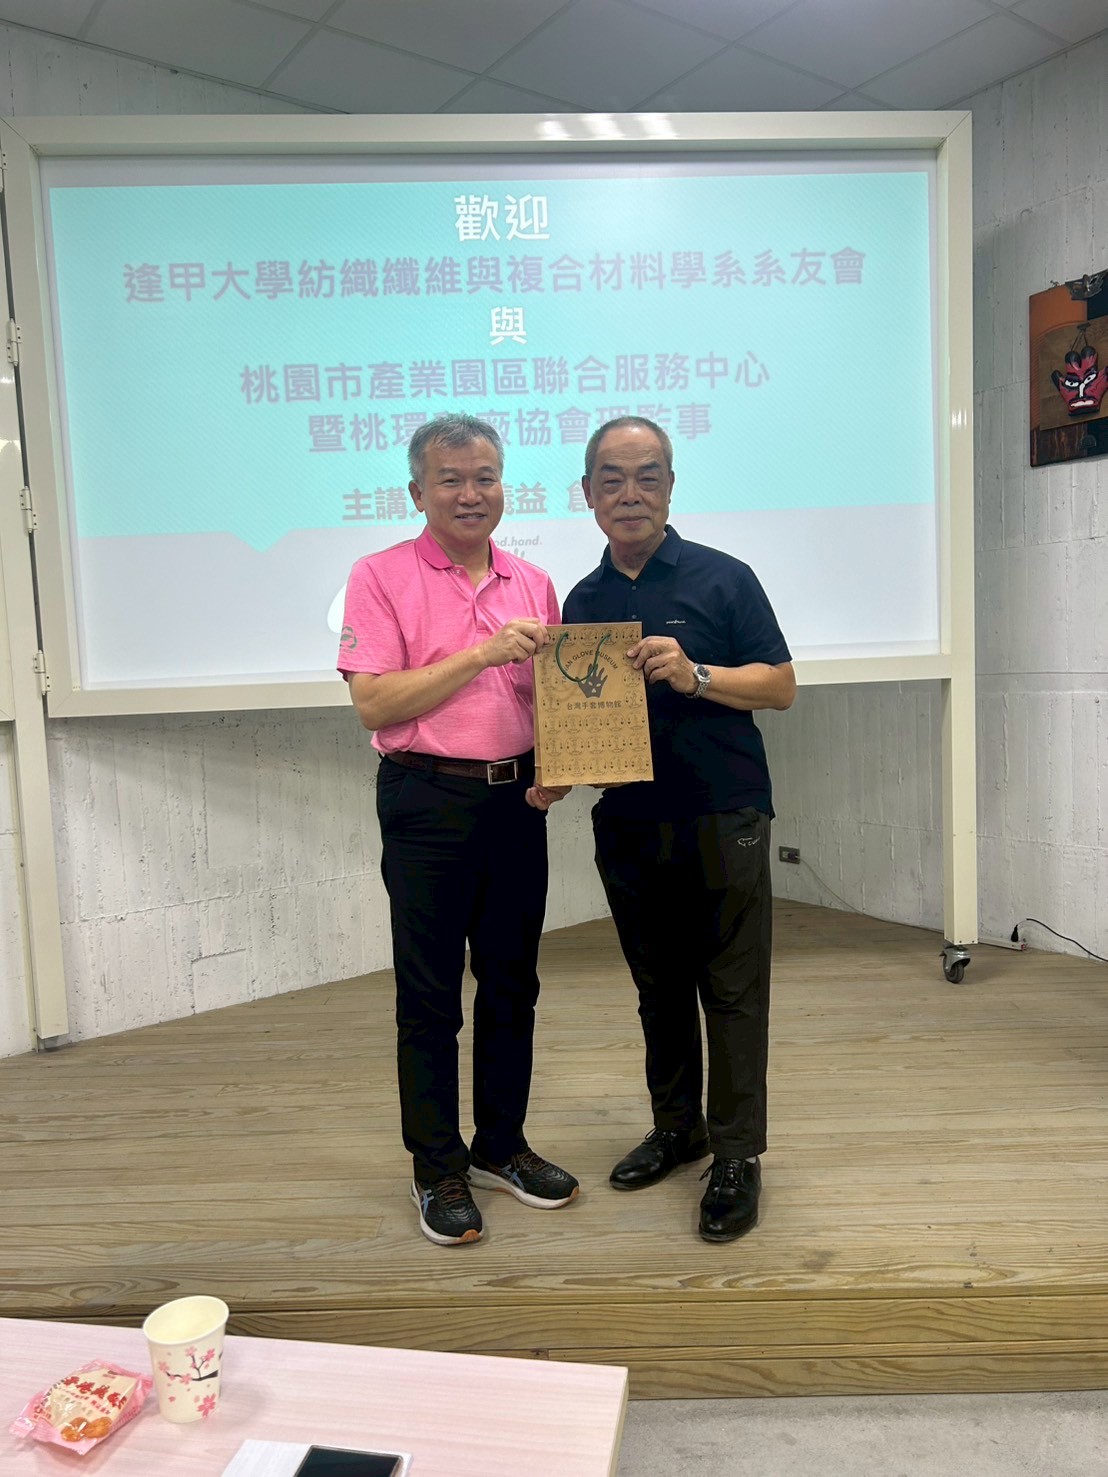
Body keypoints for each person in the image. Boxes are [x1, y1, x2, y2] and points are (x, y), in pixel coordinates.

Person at [338, 413, 577, 1247]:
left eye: (485, 478)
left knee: (513, 983)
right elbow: (374, 702)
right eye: (451, 479)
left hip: (516, 804)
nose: (470, 494)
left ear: (504, 486)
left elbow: (554, 697)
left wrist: (561, 760)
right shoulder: (378, 575)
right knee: (430, 994)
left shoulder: (533, 581)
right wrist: (480, 653)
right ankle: (436, 1165)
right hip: (426, 799)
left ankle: (500, 1146)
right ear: (417, 492)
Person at [562, 416, 795, 1243]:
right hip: (628, 821)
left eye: (647, 476)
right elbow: (578, 714)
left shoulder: (725, 578)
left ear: (670, 486)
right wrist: (566, 761)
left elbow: (780, 685)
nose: (630, 493)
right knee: (657, 988)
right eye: (612, 478)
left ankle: (736, 1154)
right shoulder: (581, 603)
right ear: (587, 493)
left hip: (724, 813)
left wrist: (697, 674)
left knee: (732, 989)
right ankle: (677, 1127)